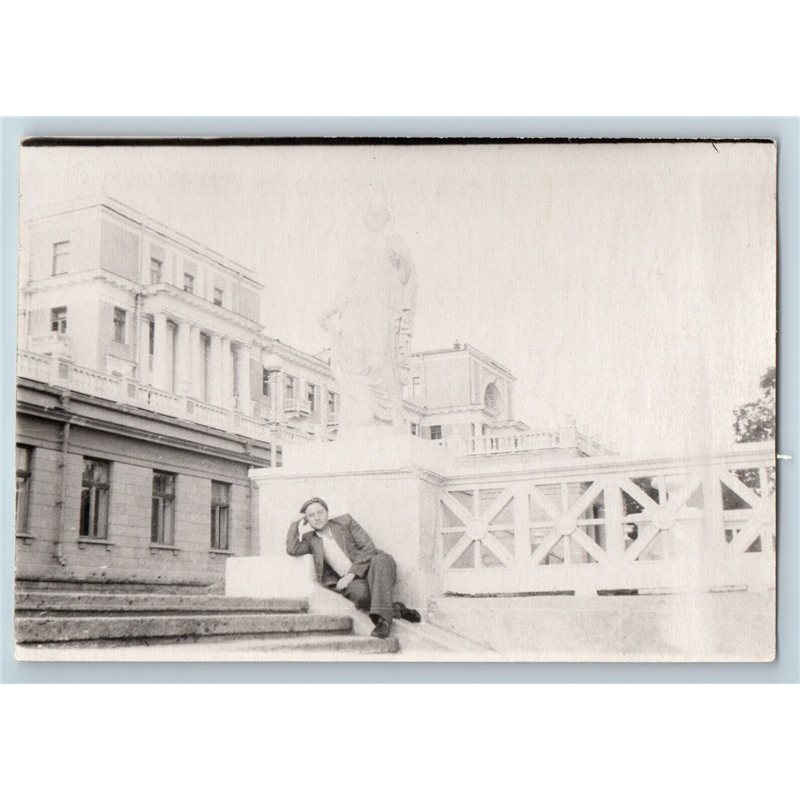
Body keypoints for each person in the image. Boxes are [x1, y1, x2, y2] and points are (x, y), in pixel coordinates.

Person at [285, 496, 421, 638]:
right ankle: (397, 608)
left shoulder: (345, 521)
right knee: (361, 596)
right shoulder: (310, 538)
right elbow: (292, 549)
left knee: (382, 560)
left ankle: (383, 623)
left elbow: (368, 547)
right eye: (311, 515)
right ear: (306, 519)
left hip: (373, 566)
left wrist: (351, 575)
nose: (317, 518)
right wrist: (295, 522)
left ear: (327, 512)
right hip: (354, 582)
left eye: (320, 512)